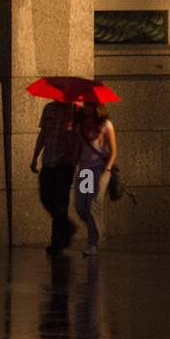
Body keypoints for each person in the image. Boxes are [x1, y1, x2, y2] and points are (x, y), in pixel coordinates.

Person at [30, 99, 79, 254]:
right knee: (45, 197)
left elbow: (80, 137)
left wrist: (73, 158)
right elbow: (43, 133)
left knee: (61, 203)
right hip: (48, 161)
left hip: (64, 164)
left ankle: (57, 242)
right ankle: (68, 226)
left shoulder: (75, 111)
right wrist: (35, 156)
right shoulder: (49, 108)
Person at [73, 104, 117, 257]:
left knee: (93, 205)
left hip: (99, 169)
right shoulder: (81, 125)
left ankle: (94, 243)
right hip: (85, 171)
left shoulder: (105, 124)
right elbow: (78, 148)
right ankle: (98, 230)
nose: (86, 107)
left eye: (89, 104)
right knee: (81, 207)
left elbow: (113, 150)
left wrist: (107, 169)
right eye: (85, 104)